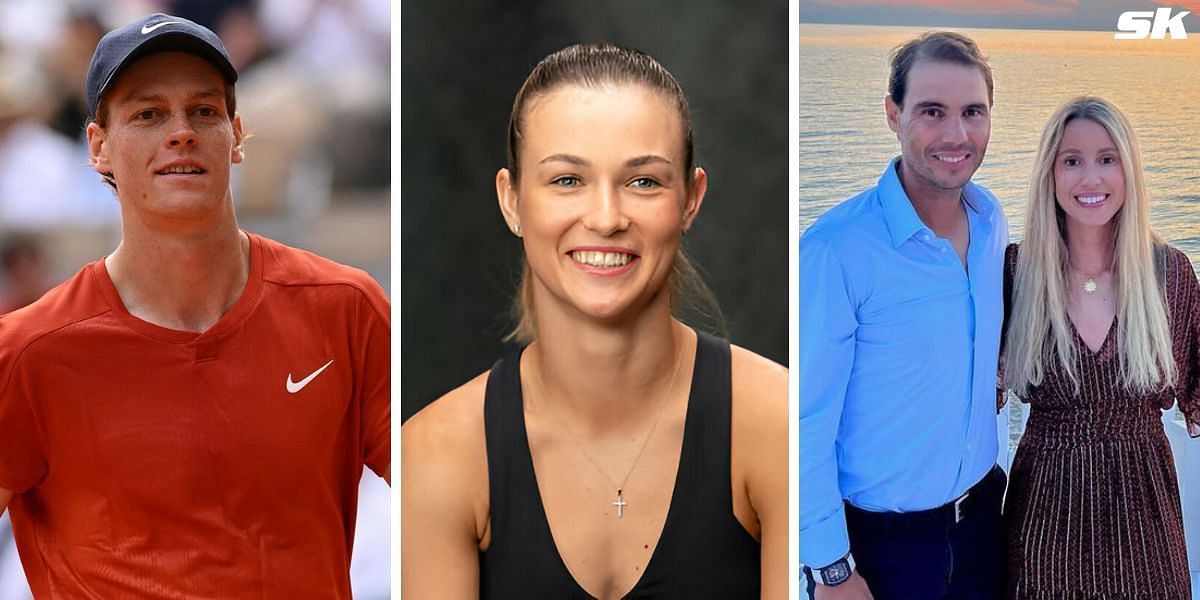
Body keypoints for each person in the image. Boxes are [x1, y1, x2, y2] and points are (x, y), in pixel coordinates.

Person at [0, 13, 389, 597]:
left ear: (235, 135)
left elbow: (447, 489)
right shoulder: (29, 352)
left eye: (204, 111)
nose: (180, 131)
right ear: (98, 146)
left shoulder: (346, 308)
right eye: (147, 114)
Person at [401, 43, 787, 598]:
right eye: (566, 181)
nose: (606, 218)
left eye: (644, 182)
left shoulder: (774, 423)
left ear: (690, 199)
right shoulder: (438, 453)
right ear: (512, 201)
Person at [799, 31, 1010, 599]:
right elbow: (803, 420)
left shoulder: (991, 222)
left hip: (986, 522)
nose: (956, 135)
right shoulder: (835, 250)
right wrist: (830, 572)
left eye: (973, 112)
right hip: (884, 548)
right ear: (893, 114)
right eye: (931, 112)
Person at [1001, 96, 1199, 598]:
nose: (1091, 179)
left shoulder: (1169, 273)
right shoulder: (1016, 274)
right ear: (1050, 173)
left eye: (1107, 159)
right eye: (1072, 161)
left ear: (1129, 169)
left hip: (1146, 519)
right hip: (1043, 518)